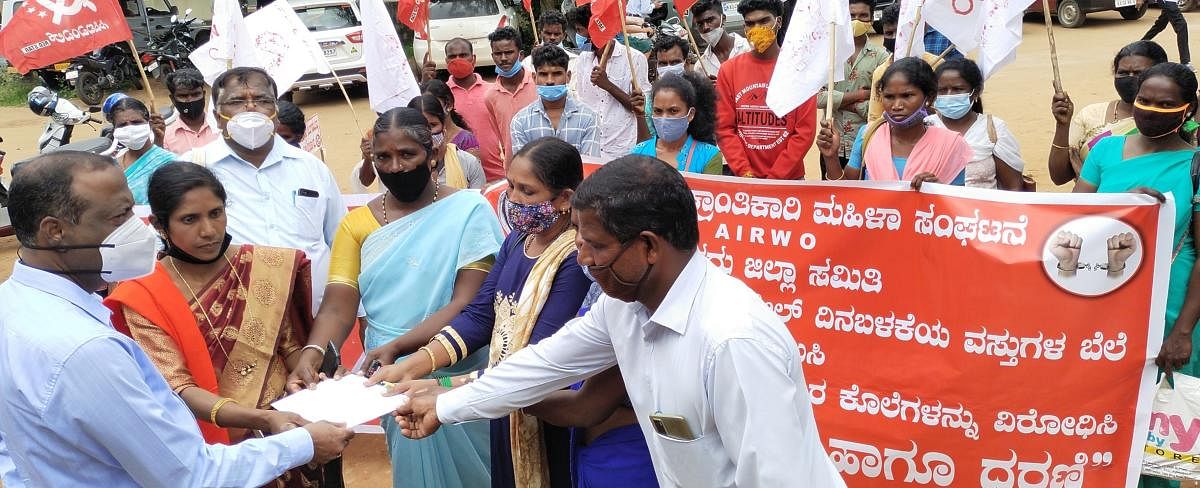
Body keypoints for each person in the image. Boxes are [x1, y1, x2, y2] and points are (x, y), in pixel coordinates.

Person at [390, 155, 846, 488]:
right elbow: (543, 364)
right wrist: (446, 402)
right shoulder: (623, 307)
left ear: (648, 247)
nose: (582, 259)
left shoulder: (732, 341)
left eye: (595, 246)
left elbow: (777, 478)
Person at [0, 152, 352, 487]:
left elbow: (11, 448)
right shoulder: (87, 350)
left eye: (217, 213)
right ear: (55, 231)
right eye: (119, 217)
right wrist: (302, 443)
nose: (134, 229)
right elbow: (189, 476)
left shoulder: (11, 306)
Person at [289, 107, 504, 488]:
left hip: (457, 366)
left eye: (407, 154)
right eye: (382, 157)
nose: (396, 166)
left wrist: (400, 348)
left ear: (433, 154)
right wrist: (312, 353)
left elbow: (468, 303)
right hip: (388, 376)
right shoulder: (357, 224)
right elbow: (340, 303)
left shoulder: (468, 209)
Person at [368, 137, 592, 488]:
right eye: (511, 186)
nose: (513, 200)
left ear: (564, 198)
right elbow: (479, 315)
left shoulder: (575, 261)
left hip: (545, 408)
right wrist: (407, 366)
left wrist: (439, 384)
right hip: (502, 402)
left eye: (527, 192)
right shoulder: (518, 240)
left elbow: (536, 359)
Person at [104, 162, 332, 487]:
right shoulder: (144, 293)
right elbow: (178, 389)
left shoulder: (267, 265)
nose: (209, 230)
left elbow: (288, 347)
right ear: (159, 224)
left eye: (216, 213)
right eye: (189, 219)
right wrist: (265, 420)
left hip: (291, 434)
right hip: (216, 453)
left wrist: (308, 377)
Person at [1071, 65, 1199, 488]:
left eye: (1166, 105)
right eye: (1145, 99)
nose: (1151, 111)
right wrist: (1123, 206)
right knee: (1098, 409)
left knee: (1156, 426)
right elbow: (1068, 222)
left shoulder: (1195, 164)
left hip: (1169, 303)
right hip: (1101, 298)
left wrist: (1183, 332)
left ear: (1188, 109)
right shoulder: (1104, 151)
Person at [185, 67, 345, 315]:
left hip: (314, 322)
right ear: (217, 117)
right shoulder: (192, 169)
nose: (251, 109)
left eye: (262, 100)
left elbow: (340, 241)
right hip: (230, 323)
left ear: (276, 113)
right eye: (237, 101)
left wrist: (358, 312)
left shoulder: (311, 167)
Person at [818, 57, 970, 186]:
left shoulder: (950, 145)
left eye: (907, 96)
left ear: (928, 98)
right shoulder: (868, 135)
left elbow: (956, 207)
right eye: (889, 97)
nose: (897, 106)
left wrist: (936, 190)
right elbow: (846, 194)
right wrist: (831, 157)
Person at [715, 0, 816, 179]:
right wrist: (745, 172)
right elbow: (724, 128)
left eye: (764, 21)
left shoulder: (801, 69)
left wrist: (774, 179)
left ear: (779, 22)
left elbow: (804, 133)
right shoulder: (729, 70)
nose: (757, 28)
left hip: (789, 180)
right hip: (745, 180)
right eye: (750, 23)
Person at [1048, 41, 1168, 185]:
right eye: (1122, 73)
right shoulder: (1091, 114)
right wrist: (1062, 125)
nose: (1130, 78)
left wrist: (1090, 180)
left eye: (1138, 73)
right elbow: (1059, 177)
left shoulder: (1169, 121)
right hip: (1090, 203)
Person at [815, 0, 888, 178]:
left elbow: (878, 107)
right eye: (851, 16)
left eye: (863, 16)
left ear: (871, 18)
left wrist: (848, 105)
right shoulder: (828, 53)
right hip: (831, 143)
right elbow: (818, 98)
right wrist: (860, 95)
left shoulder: (881, 57)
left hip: (865, 145)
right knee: (831, 196)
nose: (857, 20)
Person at [927, 58, 1026, 190]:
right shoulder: (925, 127)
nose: (949, 95)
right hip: (935, 210)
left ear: (975, 92)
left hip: (984, 210)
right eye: (942, 90)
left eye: (957, 89)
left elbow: (1013, 187)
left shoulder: (994, 129)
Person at [571, 3, 651, 160]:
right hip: (590, 147)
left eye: (580, 30)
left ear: (595, 30)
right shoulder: (583, 60)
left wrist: (608, 86)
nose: (578, 36)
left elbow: (641, 108)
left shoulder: (634, 59)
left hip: (622, 149)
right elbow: (581, 103)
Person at [429, 38, 502, 179]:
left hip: (496, 174)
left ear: (473, 59)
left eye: (463, 55)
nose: (458, 59)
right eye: (452, 57)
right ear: (446, 61)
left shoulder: (493, 91)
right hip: (459, 177)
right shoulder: (441, 96)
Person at [511, 45, 601, 158]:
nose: (550, 81)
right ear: (534, 77)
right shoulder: (521, 121)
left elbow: (589, 165)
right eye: (543, 74)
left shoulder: (589, 118)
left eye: (557, 74)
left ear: (568, 76)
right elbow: (522, 170)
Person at [633, 71, 723, 174]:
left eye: (673, 111)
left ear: (690, 114)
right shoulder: (638, 152)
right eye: (658, 111)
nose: (664, 118)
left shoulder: (709, 156)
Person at [486, 27, 539, 170]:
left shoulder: (538, 84)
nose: (503, 58)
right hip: (513, 167)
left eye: (509, 52)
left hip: (543, 161)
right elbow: (501, 137)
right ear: (492, 56)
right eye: (498, 53)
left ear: (520, 55)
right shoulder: (490, 96)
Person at [107, 96, 177, 205]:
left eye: (136, 122)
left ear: (149, 124)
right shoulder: (113, 166)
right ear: (115, 130)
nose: (130, 128)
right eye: (122, 125)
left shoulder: (171, 162)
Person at [408, 94, 486, 189]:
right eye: (419, 128)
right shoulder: (403, 168)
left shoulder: (468, 163)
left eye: (432, 125)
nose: (427, 133)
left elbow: (479, 200)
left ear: (444, 126)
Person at [164, 68, 220, 154]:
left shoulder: (222, 127)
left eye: (196, 94)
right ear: (173, 100)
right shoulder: (166, 137)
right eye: (183, 96)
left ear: (204, 94)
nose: (190, 100)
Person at [645, 34, 691, 137]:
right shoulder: (650, 99)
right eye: (663, 63)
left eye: (675, 62)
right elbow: (650, 136)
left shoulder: (700, 92)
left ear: (686, 63)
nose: (668, 68)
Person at [421, 79, 481, 158]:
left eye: (433, 104)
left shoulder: (466, 140)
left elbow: (471, 169)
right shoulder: (421, 138)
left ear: (449, 104)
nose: (427, 108)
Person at [692, 0, 751, 78]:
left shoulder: (749, 48)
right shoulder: (701, 66)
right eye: (700, 24)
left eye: (710, 20)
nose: (705, 27)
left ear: (723, 19)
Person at [1142, 0, 1190, 69]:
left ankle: (1140, 43)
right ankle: (1185, 62)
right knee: (1181, 25)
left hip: (1171, 1)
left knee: (1160, 25)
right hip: (1168, 1)